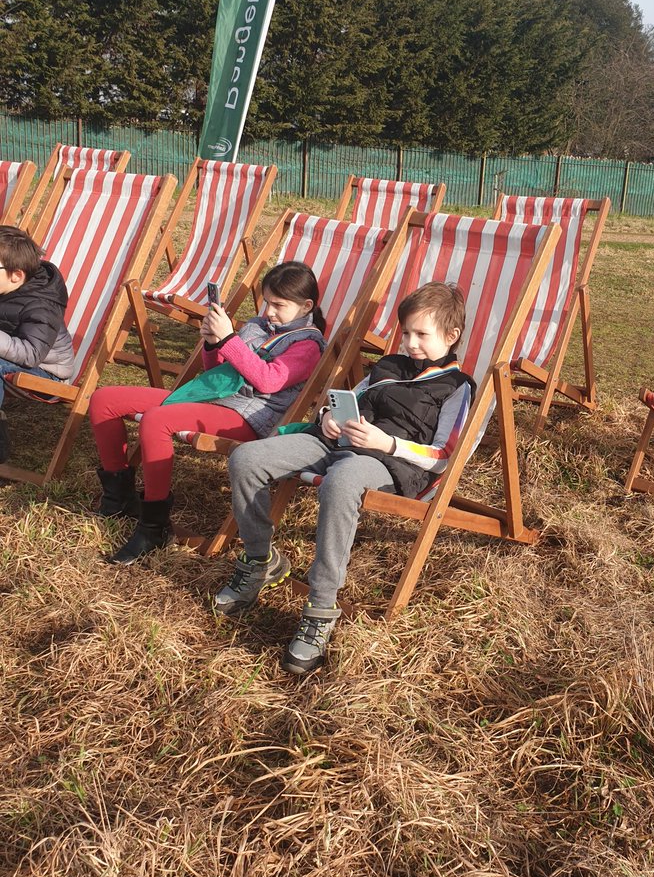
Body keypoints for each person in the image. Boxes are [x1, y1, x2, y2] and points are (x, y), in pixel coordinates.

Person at [214, 281, 475, 677]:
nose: (410, 342)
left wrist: (387, 443)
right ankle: (259, 560)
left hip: (390, 464)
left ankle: (320, 607)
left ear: (451, 336)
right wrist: (329, 420)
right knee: (247, 458)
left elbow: (444, 456)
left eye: (422, 334)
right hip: (336, 444)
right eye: (406, 332)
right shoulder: (387, 367)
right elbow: (341, 402)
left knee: (342, 479)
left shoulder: (457, 387)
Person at [89, 261, 326, 565]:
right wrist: (213, 344)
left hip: (249, 418)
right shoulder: (257, 325)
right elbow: (216, 372)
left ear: (306, 305)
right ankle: (118, 498)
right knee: (105, 399)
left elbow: (268, 380)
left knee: (157, 420)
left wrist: (229, 340)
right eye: (267, 301)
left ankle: (153, 525)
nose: (269, 311)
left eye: (278, 304)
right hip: (213, 400)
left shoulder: (307, 343)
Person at [0, 225, 74, 465]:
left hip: (45, 373)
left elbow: (32, 354)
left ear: (16, 275)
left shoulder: (41, 305)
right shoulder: (6, 287)